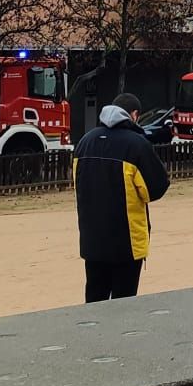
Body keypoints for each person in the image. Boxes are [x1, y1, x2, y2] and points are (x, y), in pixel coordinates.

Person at [75, 92, 171, 302]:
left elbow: (77, 183)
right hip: (125, 243)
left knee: (94, 300)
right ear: (134, 115)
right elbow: (156, 188)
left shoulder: (85, 142)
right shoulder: (136, 144)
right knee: (124, 303)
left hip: (92, 240)